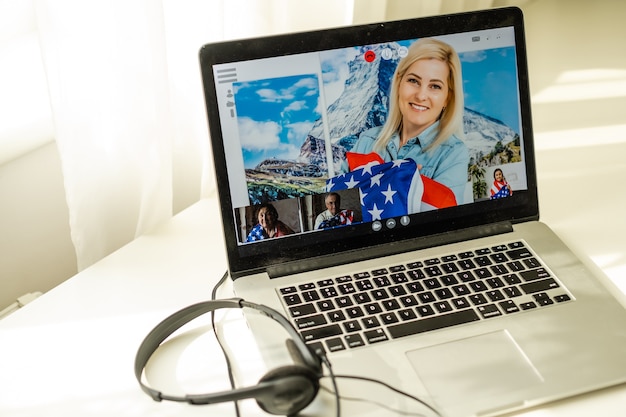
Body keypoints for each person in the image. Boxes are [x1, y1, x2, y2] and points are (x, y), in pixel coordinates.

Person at [340, 38, 469, 204]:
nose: (421, 96)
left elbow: (439, 221)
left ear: (447, 98)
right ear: (399, 82)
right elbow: (338, 203)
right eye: (413, 81)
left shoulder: (453, 153)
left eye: (435, 86)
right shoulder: (366, 140)